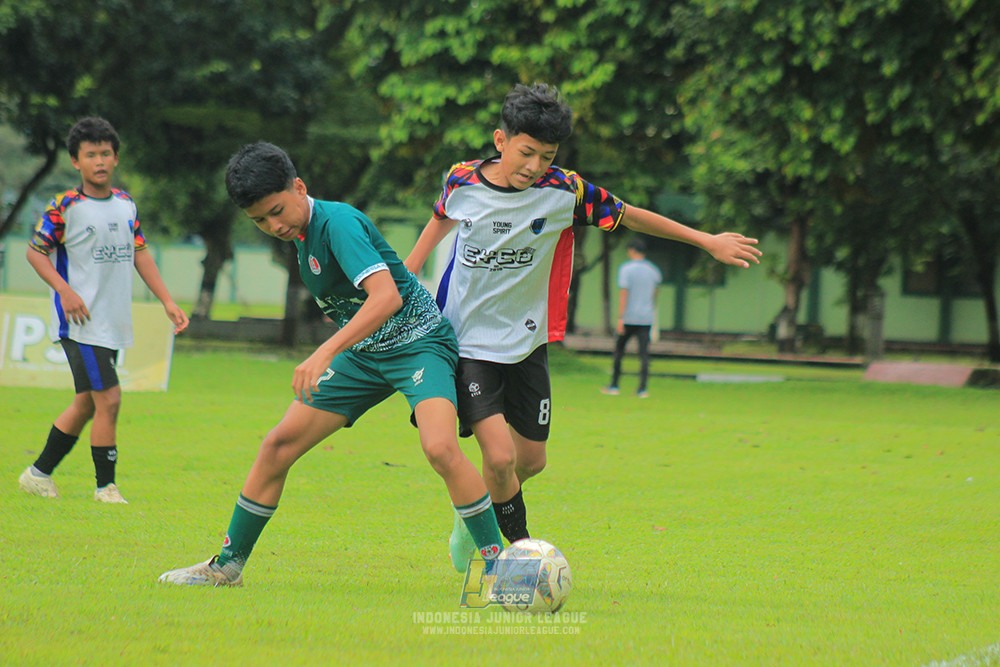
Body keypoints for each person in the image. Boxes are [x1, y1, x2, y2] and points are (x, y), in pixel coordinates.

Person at [404, 83, 762, 572]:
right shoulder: (461, 181)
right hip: (467, 342)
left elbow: (631, 216)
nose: (534, 166)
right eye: (526, 152)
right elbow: (439, 220)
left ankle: (469, 511)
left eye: (546, 156)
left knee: (530, 462)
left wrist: (705, 240)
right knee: (501, 456)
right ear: (500, 140)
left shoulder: (565, 191)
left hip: (527, 344)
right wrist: (405, 280)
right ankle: (516, 559)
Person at [157, 141, 503, 587]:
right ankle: (227, 566)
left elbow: (387, 296)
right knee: (278, 445)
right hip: (364, 356)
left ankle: (499, 569)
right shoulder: (300, 236)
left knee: (439, 447)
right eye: (260, 220)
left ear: (299, 187)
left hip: (419, 344)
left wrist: (323, 352)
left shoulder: (337, 223)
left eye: (278, 210)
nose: (273, 225)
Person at [17, 117, 189, 504]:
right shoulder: (65, 205)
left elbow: (140, 252)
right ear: (76, 161)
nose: (99, 161)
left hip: (111, 321)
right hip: (80, 322)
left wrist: (167, 300)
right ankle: (105, 488)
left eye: (105, 153)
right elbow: (35, 252)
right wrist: (65, 291)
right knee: (109, 399)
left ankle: (38, 473)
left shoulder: (125, 204)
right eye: (90, 154)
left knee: (86, 403)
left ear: (115, 158)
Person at [602, 236, 662, 398]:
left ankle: (614, 385)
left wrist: (621, 317)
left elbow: (624, 294)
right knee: (644, 354)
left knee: (619, 352)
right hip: (646, 318)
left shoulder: (626, 269)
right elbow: (655, 294)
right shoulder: (653, 270)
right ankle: (642, 389)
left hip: (629, 317)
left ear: (632, 250)